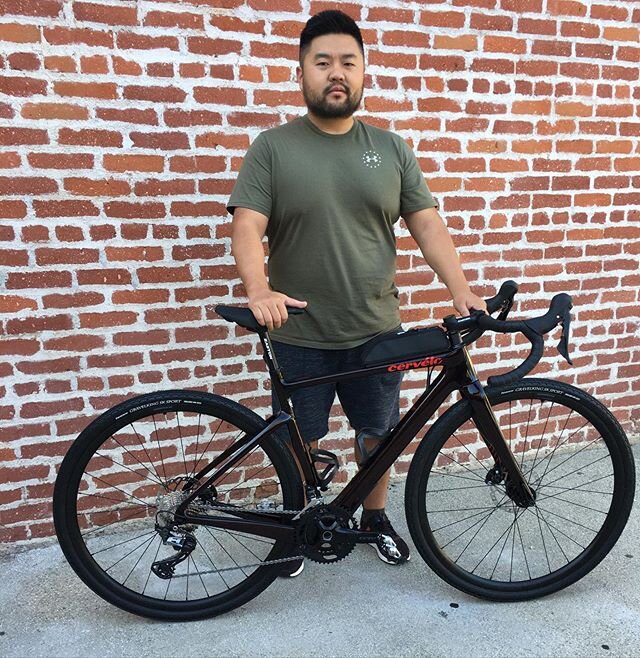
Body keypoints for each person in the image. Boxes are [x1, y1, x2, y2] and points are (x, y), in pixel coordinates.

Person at [227, 10, 486, 577]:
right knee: (299, 440)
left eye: (348, 61)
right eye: (322, 62)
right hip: (298, 331)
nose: (335, 73)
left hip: (375, 330)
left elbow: (426, 224)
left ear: (365, 72)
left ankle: (373, 519)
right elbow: (247, 223)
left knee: (379, 436)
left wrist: (461, 289)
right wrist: (258, 288)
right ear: (302, 73)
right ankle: (299, 525)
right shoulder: (271, 148)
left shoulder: (392, 149)